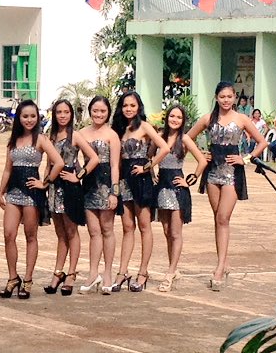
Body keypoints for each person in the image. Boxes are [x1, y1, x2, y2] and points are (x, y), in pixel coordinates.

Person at [187, 81, 267, 289]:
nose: (226, 100)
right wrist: (201, 154)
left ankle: (220, 267)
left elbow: (262, 142)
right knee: (218, 219)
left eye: (229, 97)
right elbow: (187, 138)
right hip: (212, 171)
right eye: (222, 97)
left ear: (234, 98)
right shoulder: (207, 119)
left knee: (223, 217)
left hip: (232, 173)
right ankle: (223, 262)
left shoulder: (241, 119)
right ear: (216, 98)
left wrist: (246, 159)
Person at [0, 99, 64, 299]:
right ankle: (12, 278)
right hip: (13, 191)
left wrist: (45, 182)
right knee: (8, 234)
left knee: (30, 235)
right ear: (19, 117)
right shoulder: (13, 140)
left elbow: (58, 162)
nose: (29, 120)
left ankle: (27, 279)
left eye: (33, 116)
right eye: (25, 116)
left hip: (32, 193)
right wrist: (1, 191)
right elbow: (8, 168)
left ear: (38, 118)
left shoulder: (41, 139)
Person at [112, 90, 169, 292]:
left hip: (141, 180)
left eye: (132, 105)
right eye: (125, 105)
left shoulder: (144, 126)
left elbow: (164, 148)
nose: (128, 109)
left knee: (144, 226)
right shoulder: (118, 129)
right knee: (127, 227)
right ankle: (122, 271)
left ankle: (143, 272)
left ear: (139, 107)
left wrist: (147, 166)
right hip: (124, 179)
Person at [42, 98, 98, 296]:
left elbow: (94, 158)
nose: (63, 115)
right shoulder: (50, 136)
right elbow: (48, 164)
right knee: (60, 233)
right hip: (53, 186)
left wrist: (78, 176)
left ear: (71, 114)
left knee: (71, 231)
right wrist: (44, 183)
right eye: (59, 112)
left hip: (70, 187)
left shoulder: (75, 136)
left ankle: (72, 273)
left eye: (66, 112)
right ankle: (58, 272)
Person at [155, 103, 206, 293]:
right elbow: (149, 158)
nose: (174, 120)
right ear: (167, 118)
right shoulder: (159, 137)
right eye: (172, 116)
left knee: (176, 233)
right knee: (167, 231)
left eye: (178, 117)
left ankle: (169, 273)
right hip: (161, 189)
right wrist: (153, 175)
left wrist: (189, 181)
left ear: (183, 121)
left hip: (177, 189)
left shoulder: (184, 139)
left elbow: (201, 161)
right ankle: (173, 269)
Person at [79, 96, 123, 294]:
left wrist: (114, 192)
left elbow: (115, 165)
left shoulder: (112, 135)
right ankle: (92, 273)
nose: (98, 114)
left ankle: (107, 273)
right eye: (95, 111)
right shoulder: (80, 133)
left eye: (103, 111)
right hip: (88, 184)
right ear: (90, 111)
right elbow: (72, 158)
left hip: (106, 184)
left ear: (108, 113)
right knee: (93, 232)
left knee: (107, 230)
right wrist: (78, 173)